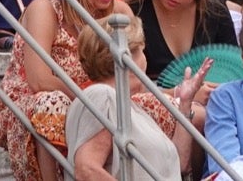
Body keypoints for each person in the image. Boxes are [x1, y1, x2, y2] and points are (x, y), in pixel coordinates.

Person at [0, 0, 130, 181]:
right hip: (31, 104)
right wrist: (94, 96)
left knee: (155, 105)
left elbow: (138, 68)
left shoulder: (118, 12)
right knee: (51, 102)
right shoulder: (46, 8)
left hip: (100, 102)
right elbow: (39, 81)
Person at [66, 22, 203, 181]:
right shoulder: (101, 95)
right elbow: (86, 170)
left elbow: (180, 164)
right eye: (142, 51)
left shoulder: (128, 106)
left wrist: (185, 104)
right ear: (126, 57)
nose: (146, 59)